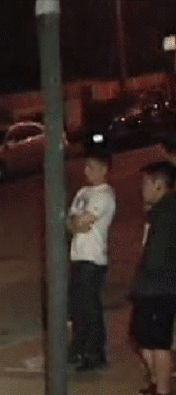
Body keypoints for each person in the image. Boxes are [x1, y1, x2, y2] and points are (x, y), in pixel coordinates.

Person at [131, 161, 176, 395]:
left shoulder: (166, 214)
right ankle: (157, 383)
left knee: (158, 343)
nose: (142, 188)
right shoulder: (160, 211)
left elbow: (156, 256)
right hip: (152, 287)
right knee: (143, 338)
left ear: (159, 186)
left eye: (146, 183)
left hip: (160, 288)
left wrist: (145, 277)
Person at [66, 152, 116, 371]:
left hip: (93, 258)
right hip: (77, 256)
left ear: (104, 169)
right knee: (77, 307)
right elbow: (71, 223)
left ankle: (94, 352)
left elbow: (82, 222)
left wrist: (76, 222)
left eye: (92, 167)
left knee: (90, 308)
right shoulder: (83, 192)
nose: (87, 171)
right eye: (86, 167)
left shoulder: (104, 195)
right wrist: (75, 223)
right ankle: (79, 346)